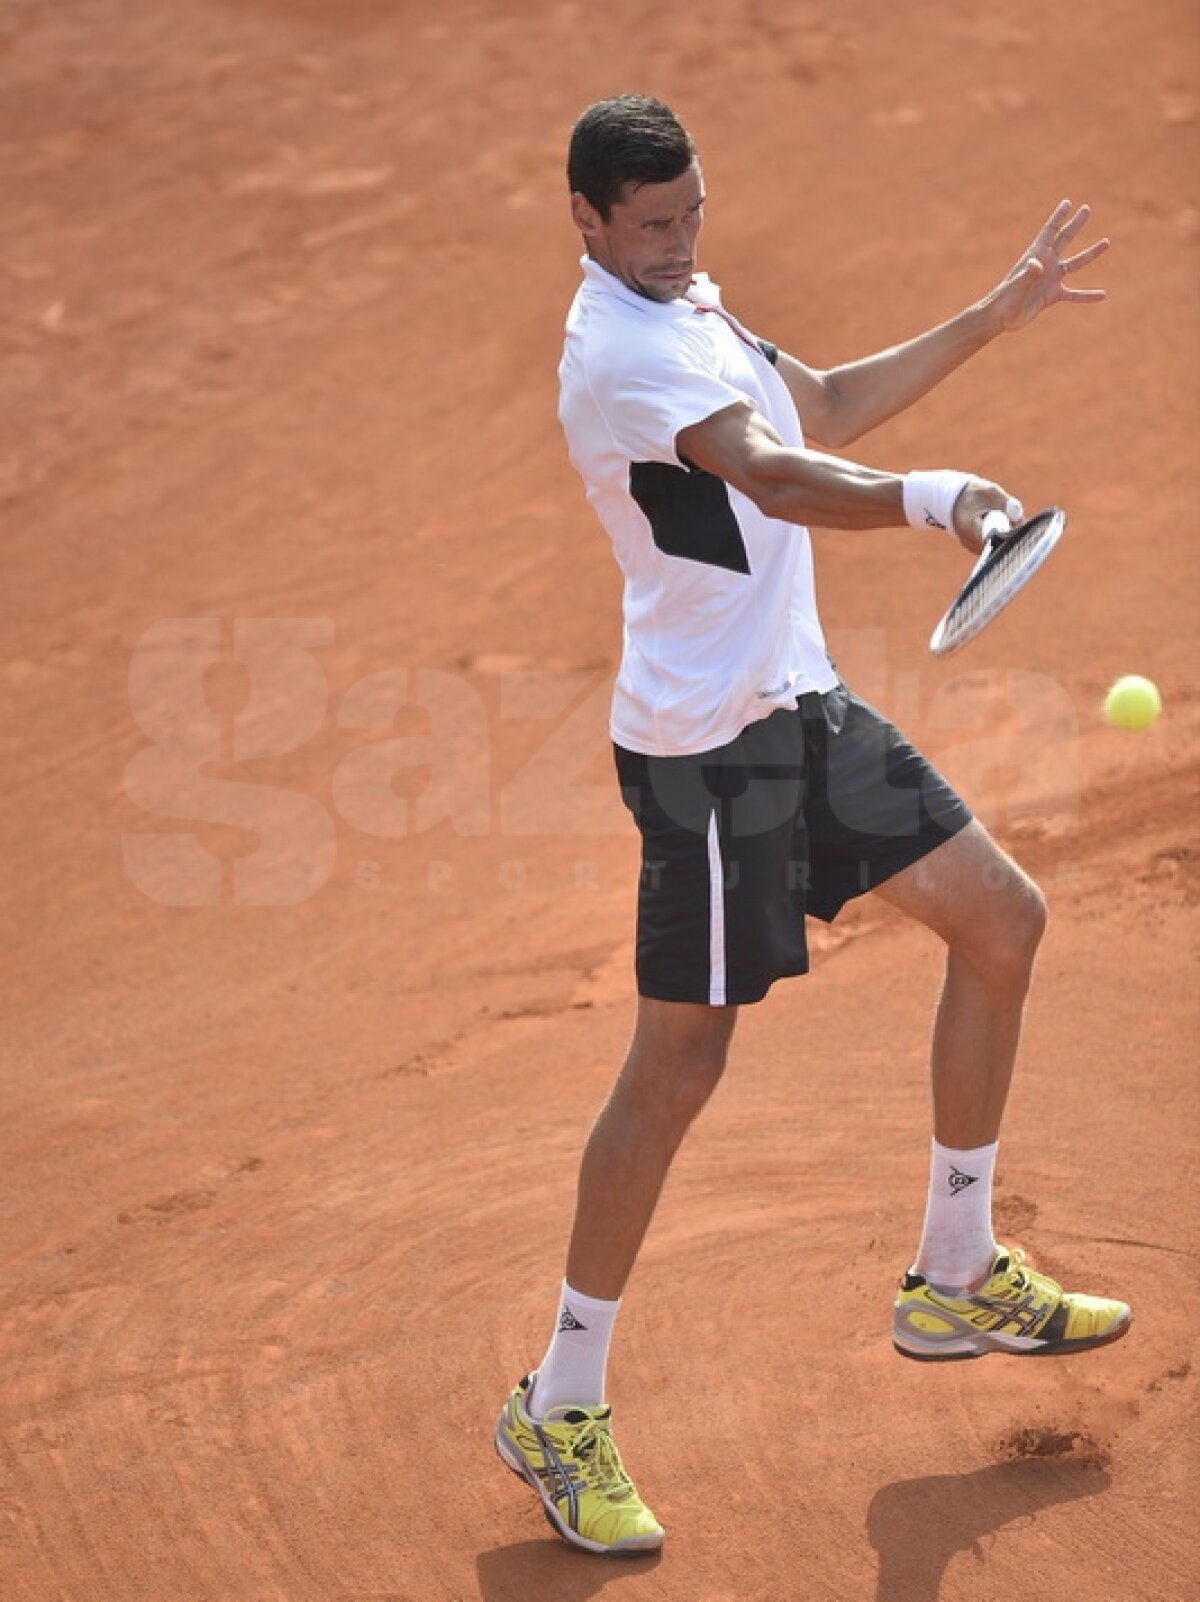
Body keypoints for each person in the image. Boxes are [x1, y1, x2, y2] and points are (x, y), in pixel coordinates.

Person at [494, 93, 1130, 1557]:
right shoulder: (622, 352)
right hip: (709, 761)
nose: (677, 243)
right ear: (584, 221)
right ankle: (560, 1398)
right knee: (679, 1064)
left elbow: (820, 406)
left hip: (800, 707)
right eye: (648, 226)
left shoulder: (695, 304)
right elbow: (778, 475)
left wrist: (995, 314)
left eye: (691, 213)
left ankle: (956, 1268)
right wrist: (937, 500)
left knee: (1002, 919)